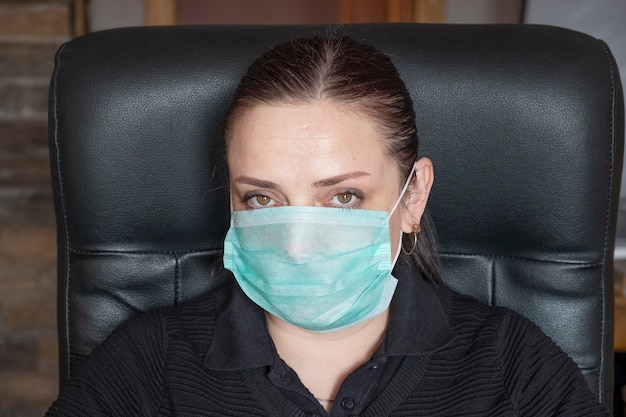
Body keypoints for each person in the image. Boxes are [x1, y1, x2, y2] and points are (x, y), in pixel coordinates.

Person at [45, 36, 610, 416]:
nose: (295, 244)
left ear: (412, 195)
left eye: (343, 196)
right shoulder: (149, 365)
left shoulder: (511, 366)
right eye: (263, 198)